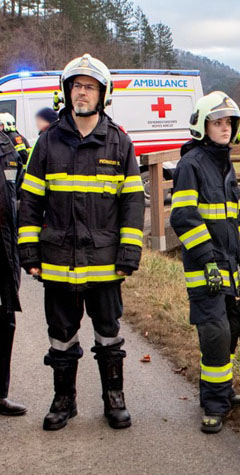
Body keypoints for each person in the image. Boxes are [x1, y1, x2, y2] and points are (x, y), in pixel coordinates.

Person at [17, 54, 144, 431]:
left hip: (105, 261)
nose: (81, 92)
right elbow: (30, 202)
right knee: (60, 335)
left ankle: (114, 399)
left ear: (103, 94)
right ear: (66, 92)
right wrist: (29, 251)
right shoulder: (47, 142)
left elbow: (133, 203)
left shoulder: (119, 143)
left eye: (89, 86)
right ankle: (64, 401)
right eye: (76, 85)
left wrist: (129, 252)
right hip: (57, 259)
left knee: (109, 333)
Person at [169, 91, 240, 434]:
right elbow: (183, 217)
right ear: (203, 126)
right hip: (205, 270)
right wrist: (206, 260)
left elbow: (235, 216)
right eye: (217, 122)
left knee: (231, 329)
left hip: (230, 267)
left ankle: (223, 390)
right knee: (215, 334)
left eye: (229, 123)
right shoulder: (191, 165)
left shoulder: (224, 163)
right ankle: (213, 404)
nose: (224, 128)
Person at [0, 118, 26, 416]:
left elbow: (18, 193)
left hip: (5, 252)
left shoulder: (7, 145)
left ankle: (0, 394)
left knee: (5, 323)